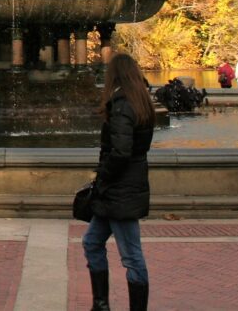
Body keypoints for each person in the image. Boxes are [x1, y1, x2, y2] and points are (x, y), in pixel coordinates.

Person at [83, 52, 154, 311]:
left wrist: (103, 176)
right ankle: (100, 305)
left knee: (131, 255)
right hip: (118, 191)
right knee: (91, 242)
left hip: (120, 190)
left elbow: (121, 152)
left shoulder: (124, 105)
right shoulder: (140, 101)